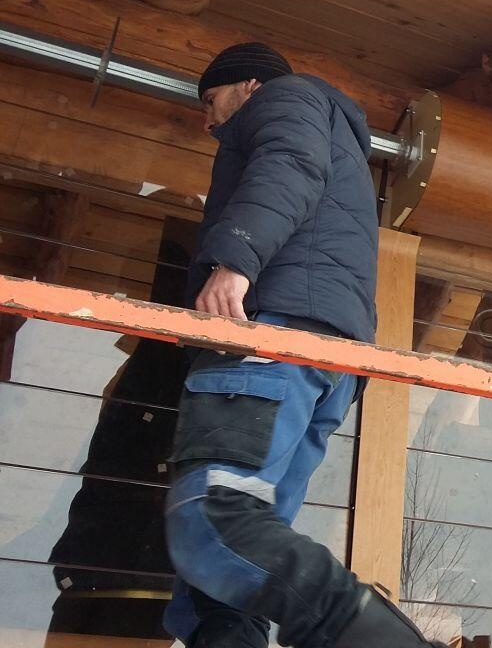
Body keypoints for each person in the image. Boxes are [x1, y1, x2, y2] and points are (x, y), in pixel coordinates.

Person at [164, 43, 443, 648]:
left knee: (215, 523)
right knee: (229, 586)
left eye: (211, 100)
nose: (207, 121)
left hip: (272, 337)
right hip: (321, 359)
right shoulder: (336, 136)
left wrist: (235, 261)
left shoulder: (288, 97)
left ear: (249, 85)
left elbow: (290, 163)